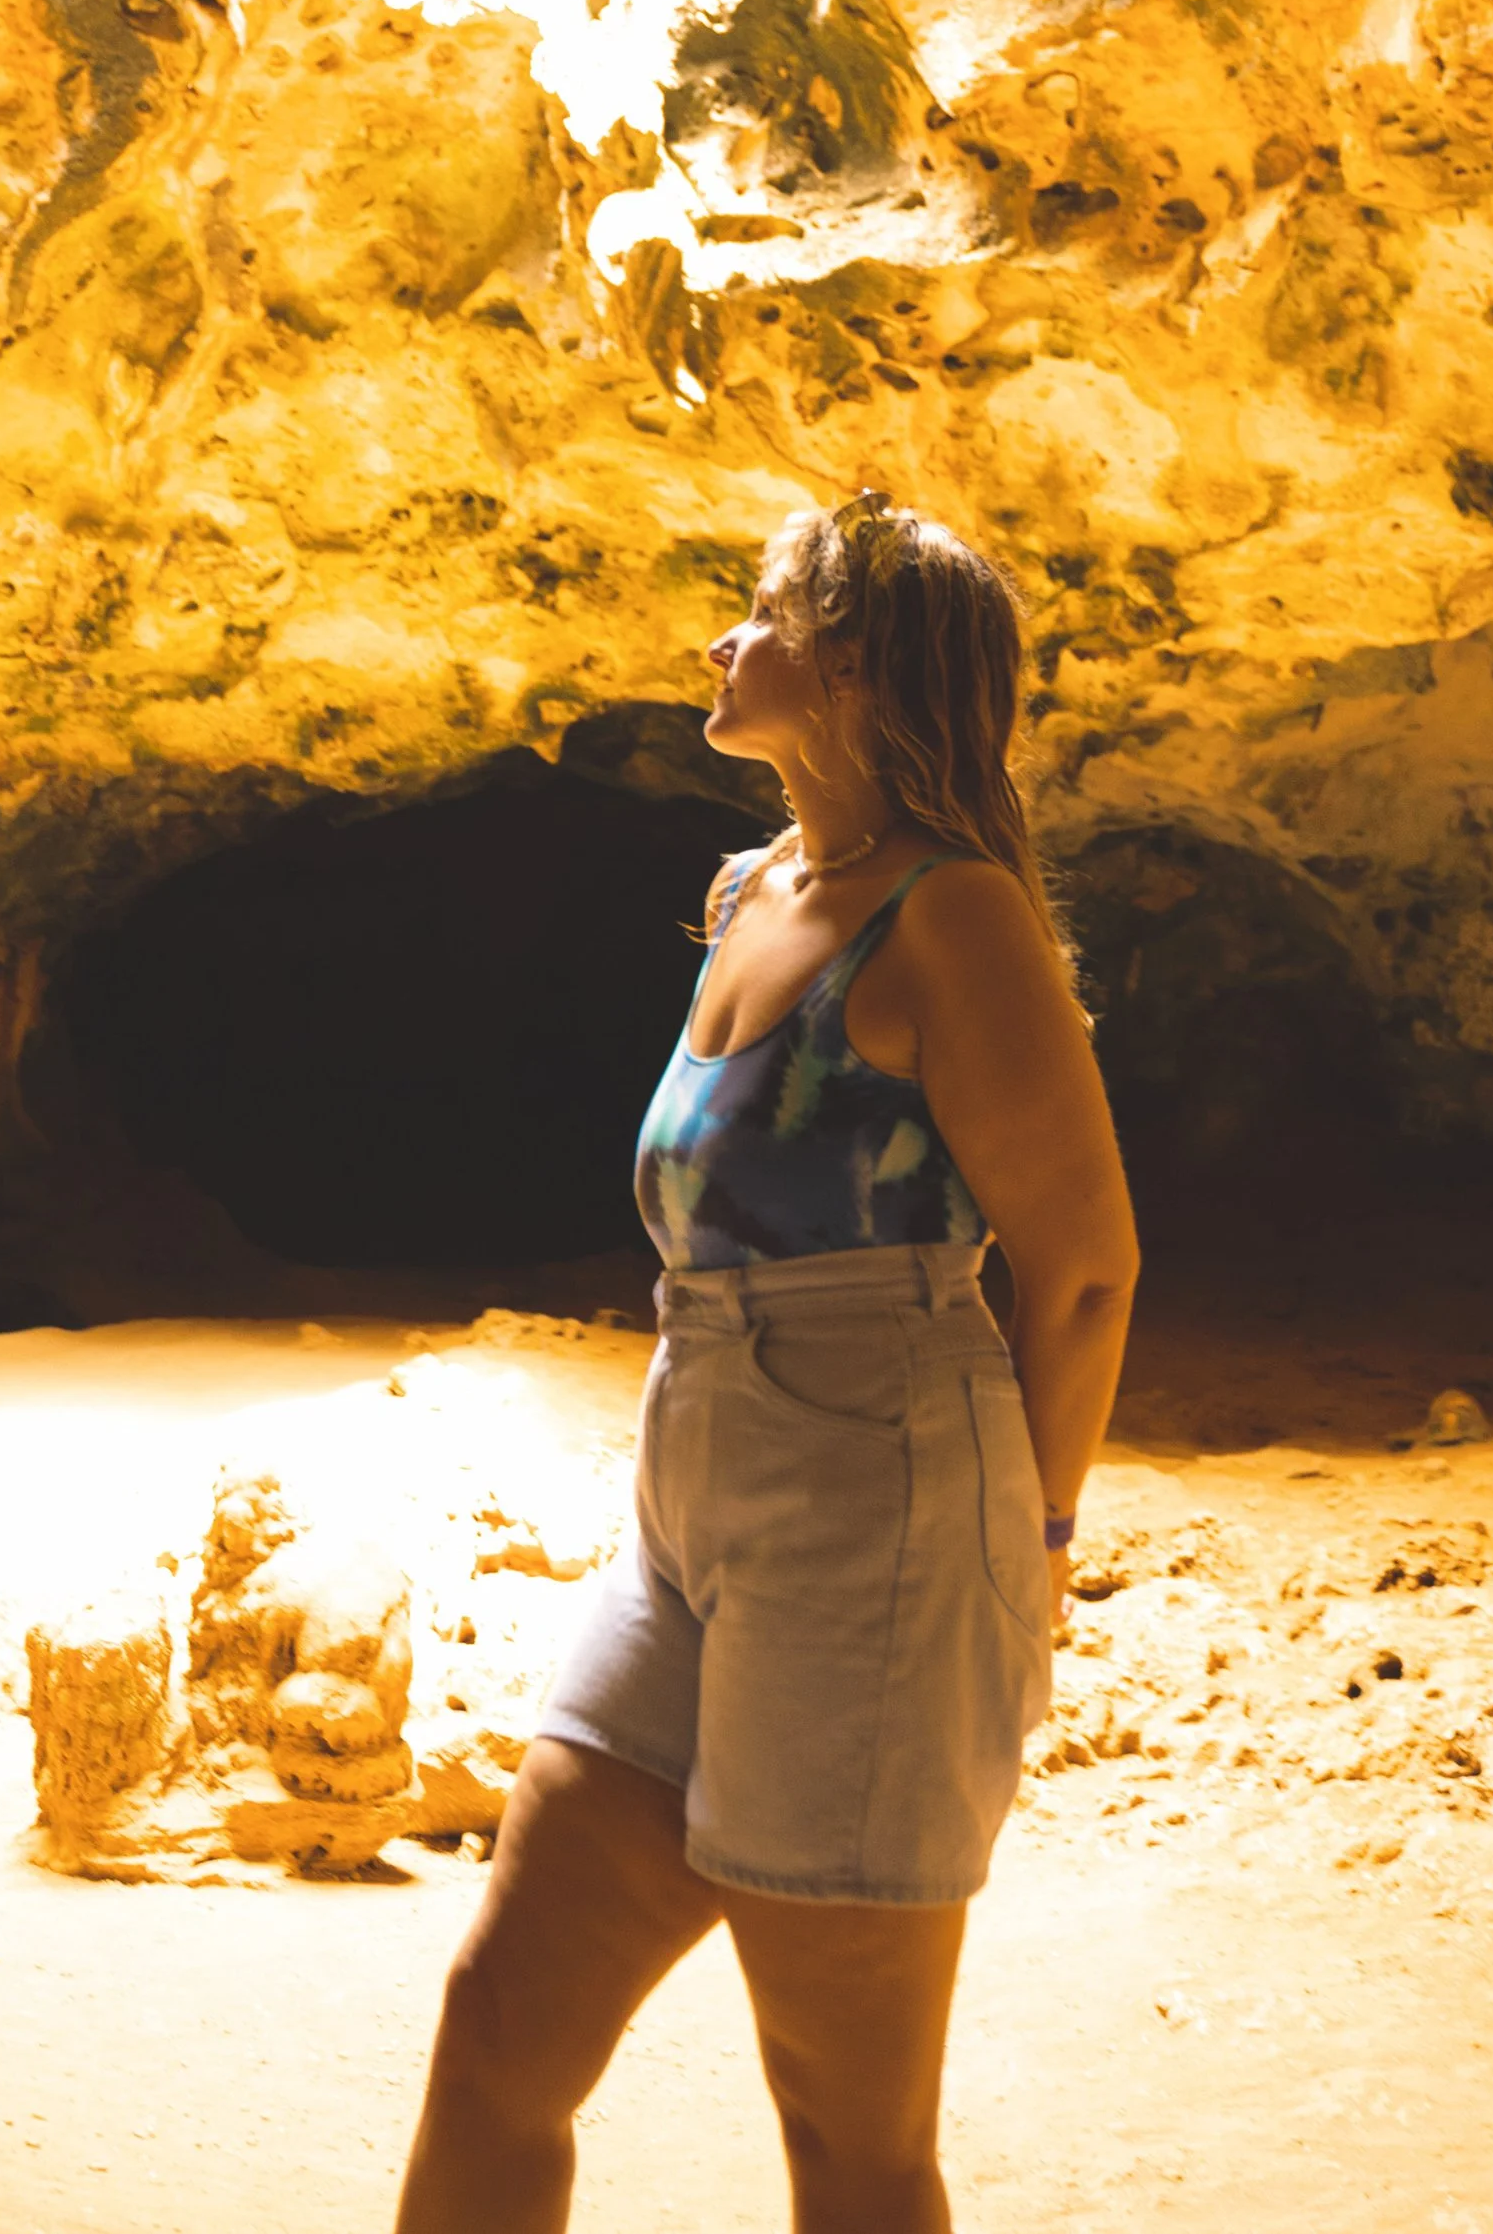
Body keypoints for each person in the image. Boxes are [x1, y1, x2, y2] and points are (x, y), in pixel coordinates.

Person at [396, 489, 1140, 2234]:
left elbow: (1087, 1270)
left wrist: (1028, 1550)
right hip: (696, 1484)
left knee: (848, 2142)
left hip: (874, 1507)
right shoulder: (754, 890)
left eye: (759, 612)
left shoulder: (957, 922)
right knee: (500, 2022)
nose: (719, 644)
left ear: (858, 662)